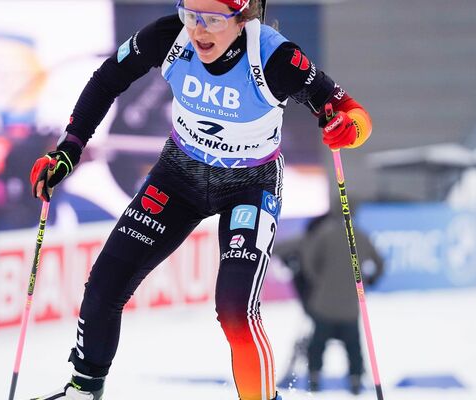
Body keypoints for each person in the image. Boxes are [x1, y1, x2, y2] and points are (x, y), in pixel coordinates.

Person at [28, 1, 373, 399]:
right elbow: (107, 80)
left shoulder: (276, 57)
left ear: (243, 18)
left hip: (250, 184)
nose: (198, 30)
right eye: (191, 15)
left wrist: (349, 129)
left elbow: (352, 112)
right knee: (105, 284)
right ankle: (82, 390)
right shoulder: (167, 35)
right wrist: (68, 149)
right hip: (179, 176)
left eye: (212, 20)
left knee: (235, 312)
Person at [298, 211, 384, 394]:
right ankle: (355, 380)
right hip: (350, 306)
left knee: (317, 345)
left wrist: (318, 280)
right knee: (354, 347)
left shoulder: (324, 234)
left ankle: (314, 378)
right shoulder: (361, 236)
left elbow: (308, 260)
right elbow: (380, 262)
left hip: (324, 304)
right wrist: (370, 280)